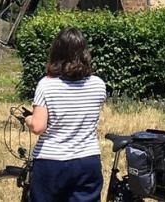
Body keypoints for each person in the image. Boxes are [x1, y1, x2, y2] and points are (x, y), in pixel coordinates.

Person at [24, 27, 107, 202]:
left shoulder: (47, 85)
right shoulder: (98, 85)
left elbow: (38, 126)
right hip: (88, 160)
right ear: (85, 53)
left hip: (52, 162)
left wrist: (28, 119)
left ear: (56, 52)